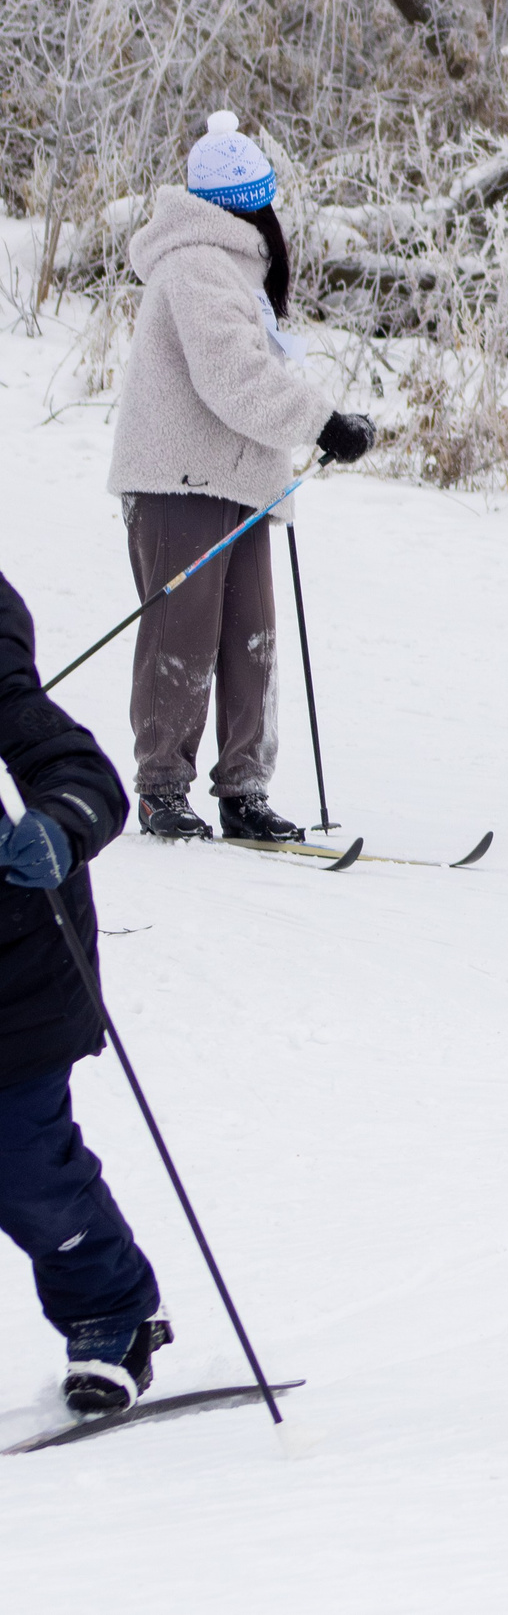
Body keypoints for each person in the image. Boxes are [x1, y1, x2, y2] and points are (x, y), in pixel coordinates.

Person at [109, 111, 377, 845]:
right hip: (177, 479)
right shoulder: (196, 262)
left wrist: (317, 421)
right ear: (249, 204)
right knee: (183, 633)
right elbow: (233, 376)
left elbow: (255, 371)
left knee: (250, 637)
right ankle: (164, 786)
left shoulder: (236, 270)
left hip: (239, 482)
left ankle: (244, 789)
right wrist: (322, 420)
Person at [0, 569, 172, 1416]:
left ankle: (112, 1309)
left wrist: (60, 825)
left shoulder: (6, 703)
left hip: (16, 985)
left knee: (25, 1168)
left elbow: (83, 775)